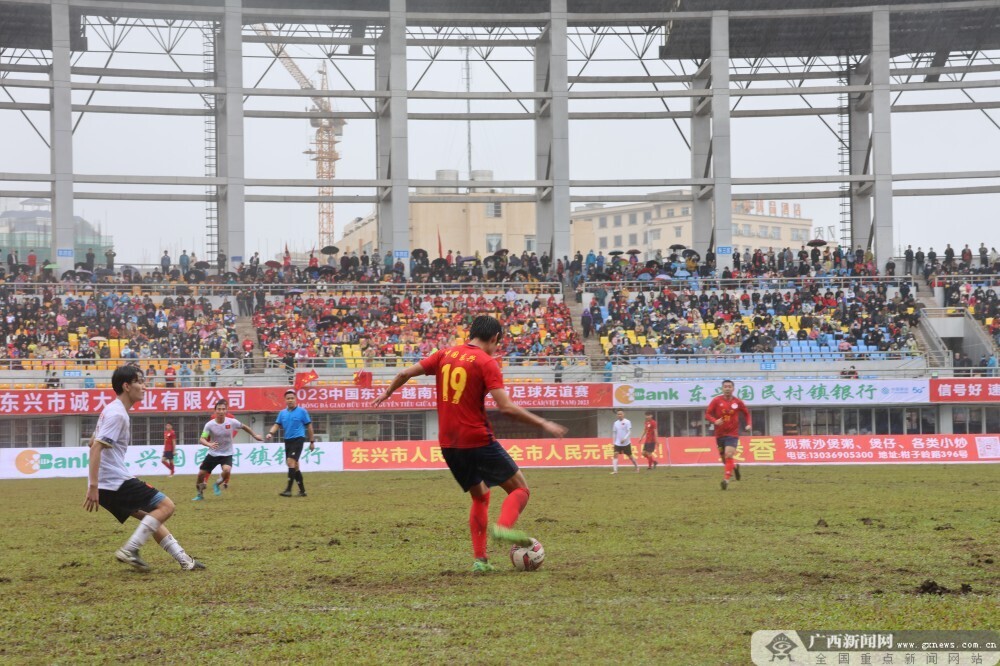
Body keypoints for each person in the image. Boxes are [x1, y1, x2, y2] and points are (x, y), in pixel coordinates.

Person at [371, 315, 567, 573]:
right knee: (521, 489)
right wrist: (543, 424)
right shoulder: (487, 363)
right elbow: (506, 407)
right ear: (495, 338)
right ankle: (504, 529)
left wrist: (388, 392)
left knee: (481, 496)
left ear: (471, 333)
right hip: (477, 438)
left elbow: (405, 372)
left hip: (449, 444)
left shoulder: (444, 354)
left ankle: (480, 561)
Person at [82, 365, 204, 571]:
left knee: (152, 518)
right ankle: (130, 549)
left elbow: (92, 441)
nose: (144, 386)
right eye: (139, 381)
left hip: (108, 484)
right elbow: (95, 447)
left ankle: (185, 561)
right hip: (114, 482)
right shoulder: (117, 414)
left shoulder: (111, 410)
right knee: (167, 507)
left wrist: (97, 483)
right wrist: (93, 486)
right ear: (126, 386)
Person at [193, 399, 263, 501]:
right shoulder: (209, 425)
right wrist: (209, 444)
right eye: (219, 409)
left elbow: (244, 427)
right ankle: (200, 494)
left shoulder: (232, 422)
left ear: (226, 411)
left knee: (227, 470)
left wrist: (255, 435)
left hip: (227, 453)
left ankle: (217, 484)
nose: (221, 411)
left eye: (223, 409)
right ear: (215, 411)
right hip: (213, 454)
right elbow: (202, 439)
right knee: (200, 475)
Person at [266, 389, 315, 497]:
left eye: (292, 398)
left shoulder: (302, 411)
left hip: (298, 439)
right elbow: (277, 424)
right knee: (295, 466)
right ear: (285, 400)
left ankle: (288, 490)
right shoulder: (282, 413)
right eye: (288, 398)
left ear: (296, 399)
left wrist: (312, 441)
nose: (290, 400)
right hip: (288, 440)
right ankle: (302, 491)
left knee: (290, 462)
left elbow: (309, 426)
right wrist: (270, 433)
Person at [704, 379, 752, 491]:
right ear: (722, 388)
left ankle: (726, 480)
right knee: (725, 460)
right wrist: (714, 421)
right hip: (719, 434)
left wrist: (748, 424)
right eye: (725, 386)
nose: (727, 388)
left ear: (733, 389)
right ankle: (734, 467)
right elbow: (707, 414)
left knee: (729, 454)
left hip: (732, 434)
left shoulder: (738, 402)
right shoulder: (716, 401)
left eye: (729, 386)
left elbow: (746, 414)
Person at [610, 409, 639, 474]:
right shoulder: (615, 423)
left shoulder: (627, 422)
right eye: (618, 414)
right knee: (615, 454)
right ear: (616, 415)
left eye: (621, 414)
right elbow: (614, 433)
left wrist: (625, 439)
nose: (619, 415)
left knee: (630, 456)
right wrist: (613, 443)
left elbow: (629, 432)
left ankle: (637, 467)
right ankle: (615, 471)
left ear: (623, 414)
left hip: (626, 443)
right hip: (617, 443)